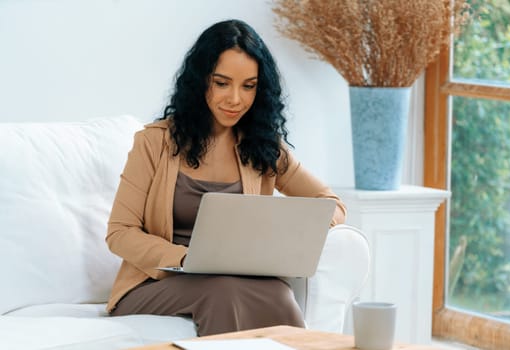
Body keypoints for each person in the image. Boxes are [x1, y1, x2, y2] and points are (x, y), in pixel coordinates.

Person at [105, 19, 347, 336]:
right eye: (222, 83)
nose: (235, 99)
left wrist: (282, 236)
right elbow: (119, 233)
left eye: (248, 86)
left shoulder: (263, 147)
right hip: (156, 283)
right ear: (200, 81)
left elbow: (332, 205)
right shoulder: (154, 143)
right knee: (222, 290)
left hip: (237, 278)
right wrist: (188, 258)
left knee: (277, 293)